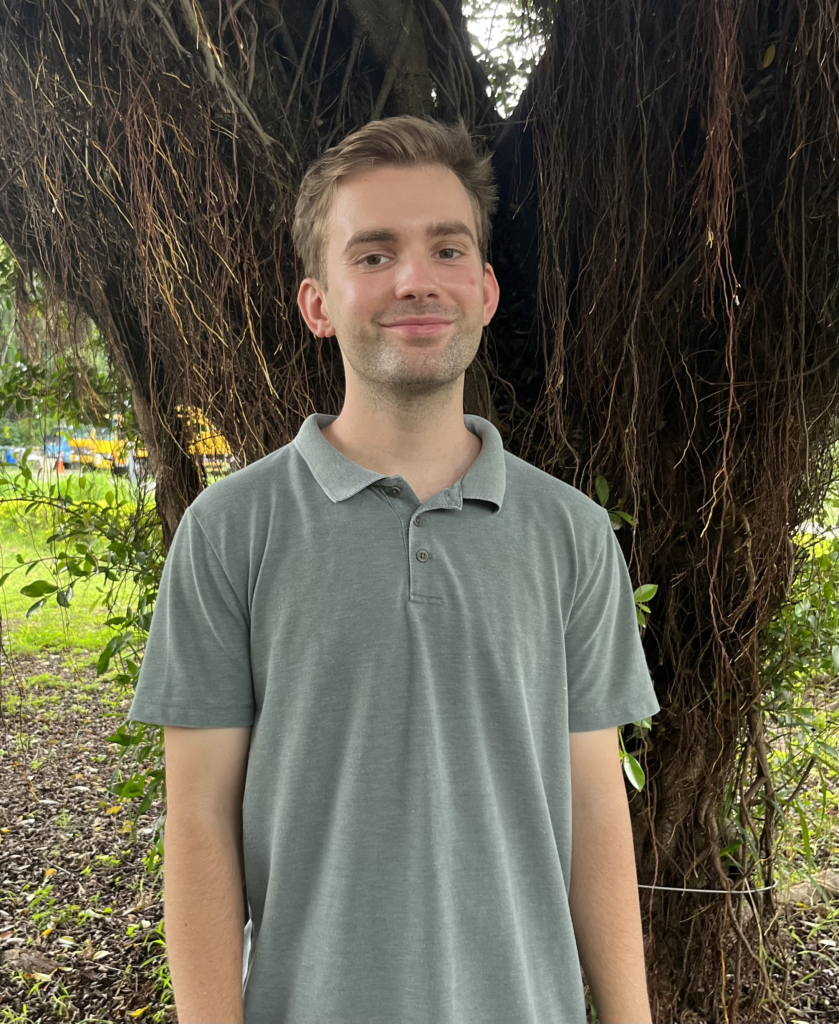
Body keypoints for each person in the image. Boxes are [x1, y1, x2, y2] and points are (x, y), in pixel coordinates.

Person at [128, 114, 660, 1024]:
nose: (416, 280)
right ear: (318, 303)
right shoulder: (230, 532)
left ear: (486, 290)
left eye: (446, 249)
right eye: (372, 255)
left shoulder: (572, 535)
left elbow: (594, 813)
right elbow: (200, 824)